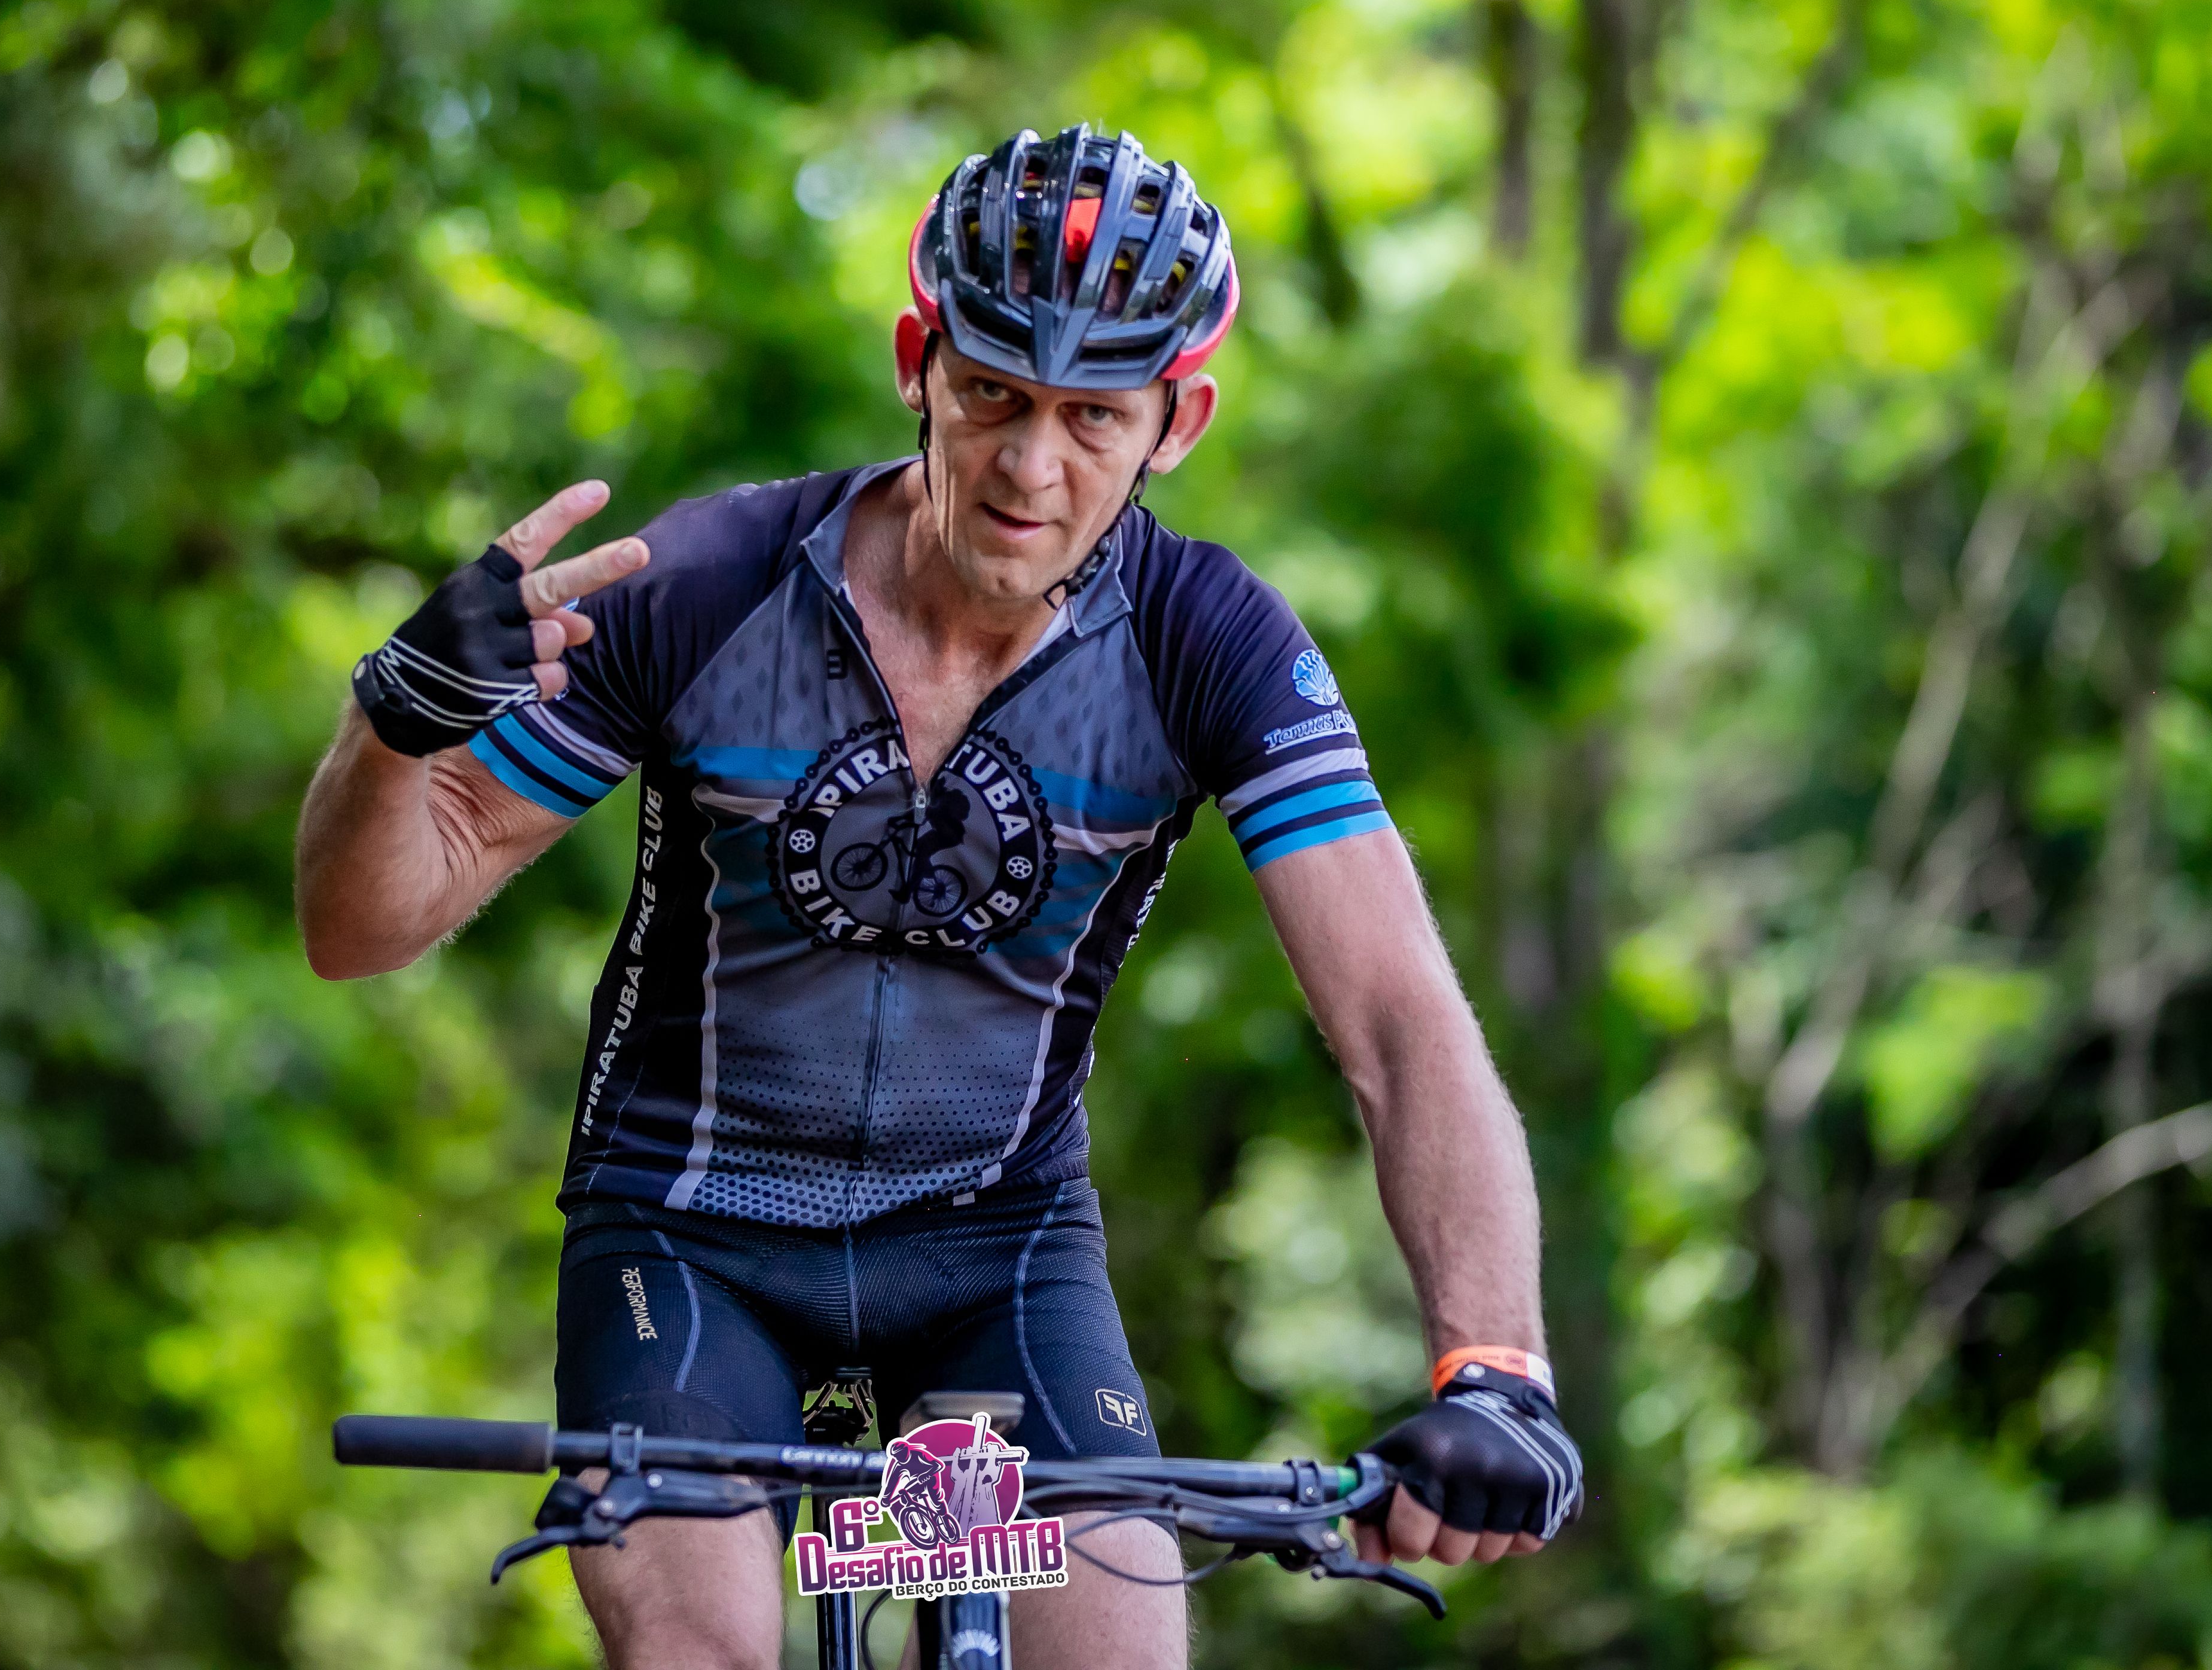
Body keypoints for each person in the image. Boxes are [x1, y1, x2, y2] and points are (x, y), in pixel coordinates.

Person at [295, 124, 1582, 1669]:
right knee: (701, 1651)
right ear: (920, 363)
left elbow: (1400, 1024)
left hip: (994, 1259)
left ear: (1179, 422)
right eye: (993, 397)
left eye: (1094, 416)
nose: (1032, 468)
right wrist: (394, 724)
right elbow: (357, 930)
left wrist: (1494, 1368)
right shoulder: (710, 585)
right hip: (689, 1242)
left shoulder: (1210, 645)